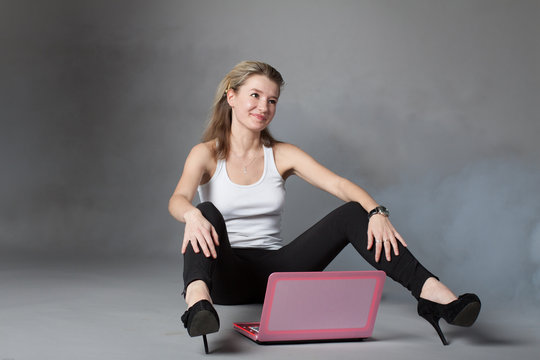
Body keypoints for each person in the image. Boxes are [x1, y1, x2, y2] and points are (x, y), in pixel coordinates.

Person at [168, 61, 480, 350]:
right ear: (231, 97)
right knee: (205, 212)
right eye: (255, 95)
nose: (263, 107)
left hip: (279, 276)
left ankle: (432, 294)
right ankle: (197, 303)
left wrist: (377, 212)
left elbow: (339, 185)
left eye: (272, 100)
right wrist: (192, 214)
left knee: (353, 213)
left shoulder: (282, 154)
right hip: (223, 275)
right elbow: (177, 199)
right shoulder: (206, 153)